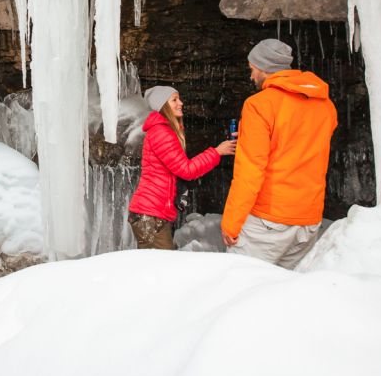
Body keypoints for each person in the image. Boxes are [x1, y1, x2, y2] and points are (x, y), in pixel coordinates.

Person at [221, 39, 338, 269]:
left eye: (252, 69)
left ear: (264, 68)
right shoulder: (326, 106)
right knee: (280, 295)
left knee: (240, 289)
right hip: (308, 221)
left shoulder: (259, 105)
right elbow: (301, 149)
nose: (251, 76)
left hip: (268, 221)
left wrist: (231, 223)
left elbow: (250, 170)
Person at [128, 86, 236, 249]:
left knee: (157, 267)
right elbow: (187, 170)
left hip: (152, 215)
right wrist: (216, 152)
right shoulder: (161, 133)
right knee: (161, 268)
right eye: (174, 100)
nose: (181, 103)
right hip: (150, 215)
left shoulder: (163, 131)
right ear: (163, 105)